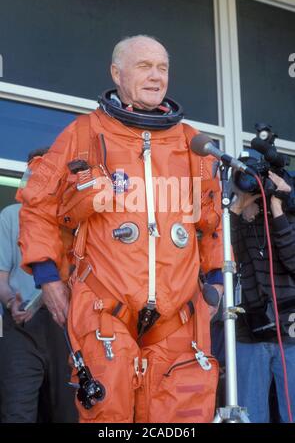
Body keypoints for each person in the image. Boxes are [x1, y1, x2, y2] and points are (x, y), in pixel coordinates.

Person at [18, 35, 224, 423]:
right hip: (104, 305)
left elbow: (213, 221)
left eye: (162, 68)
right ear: (117, 73)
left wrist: (215, 283)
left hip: (177, 312)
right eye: (144, 66)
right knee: (107, 413)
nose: (156, 76)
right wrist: (48, 279)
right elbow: (38, 205)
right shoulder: (84, 134)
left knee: (178, 418)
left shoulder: (189, 143)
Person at [0, 149, 77, 423]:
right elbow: (1, 275)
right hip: (20, 327)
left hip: (67, 326)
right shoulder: (12, 215)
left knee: (68, 412)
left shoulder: (73, 220)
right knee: (16, 411)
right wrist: (11, 301)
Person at [230, 169, 295, 423]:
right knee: (250, 415)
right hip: (250, 332)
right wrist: (238, 208)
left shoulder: (286, 218)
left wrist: (277, 208)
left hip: (289, 333)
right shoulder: (236, 223)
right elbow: (219, 253)